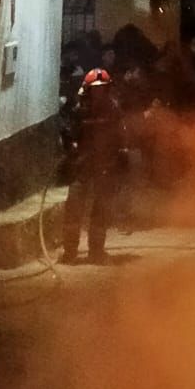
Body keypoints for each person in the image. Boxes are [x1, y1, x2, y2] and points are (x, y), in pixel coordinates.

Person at [62, 66, 125, 263]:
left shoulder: (113, 109)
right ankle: (70, 252)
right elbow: (70, 136)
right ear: (88, 89)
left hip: (104, 166)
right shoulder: (79, 110)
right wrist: (72, 150)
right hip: (82, 166)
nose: (98, 92)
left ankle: (96, 251)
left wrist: (116, 158)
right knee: (73, 209)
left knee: (101, 209)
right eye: (95, 88)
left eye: (102, 88)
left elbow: (119, 137)